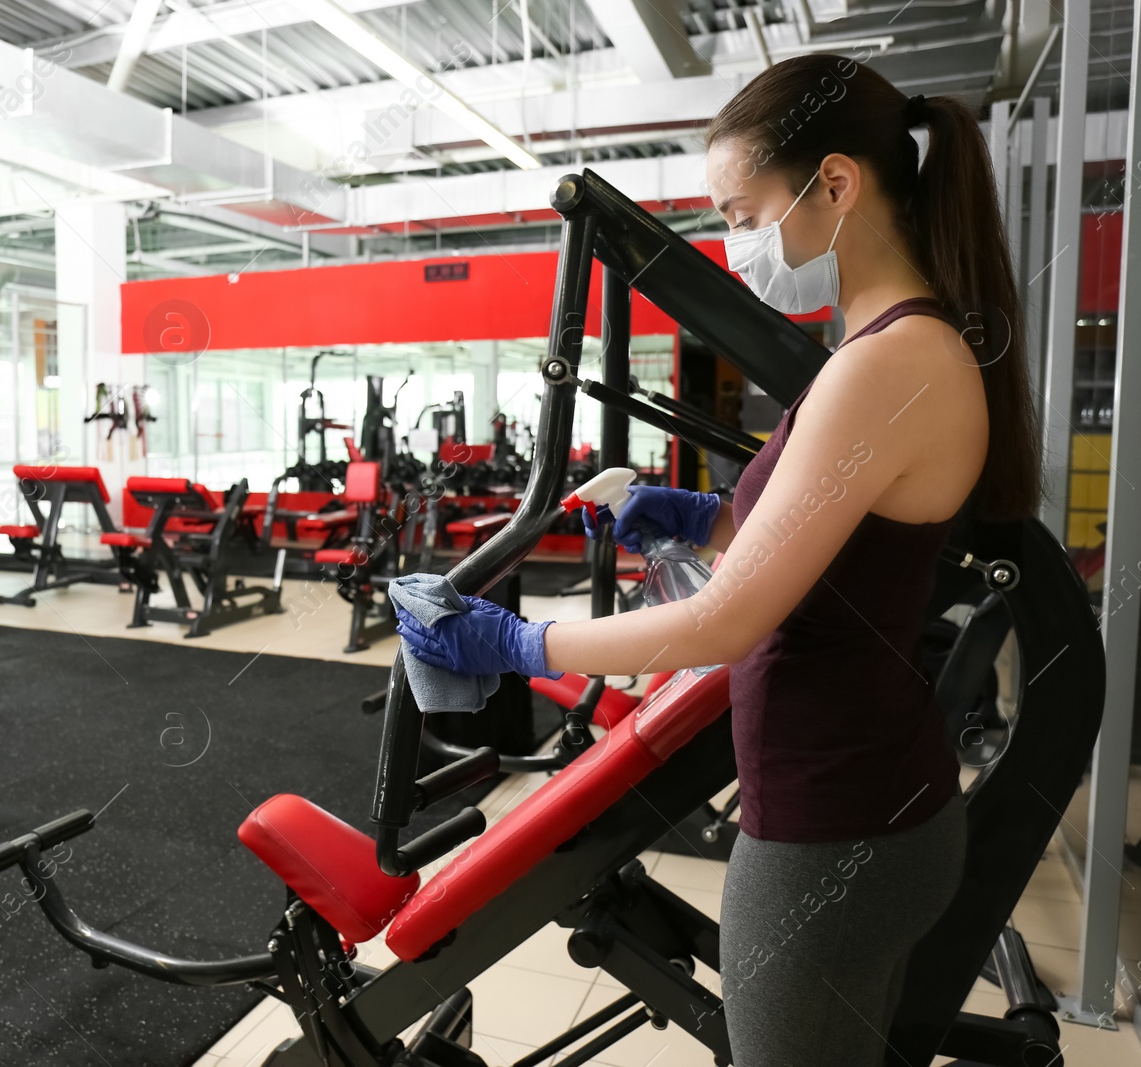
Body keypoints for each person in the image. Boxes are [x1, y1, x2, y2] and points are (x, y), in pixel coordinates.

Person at [394, 53, 1042, 1067]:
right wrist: (700, 518)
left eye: (743, 214)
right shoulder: (889, 348)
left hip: (836, 823)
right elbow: (837, 542)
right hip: (859, 802)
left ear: (835, 184)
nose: (736, 242)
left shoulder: (886, 361)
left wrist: (515, 639)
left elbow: (727, 619)